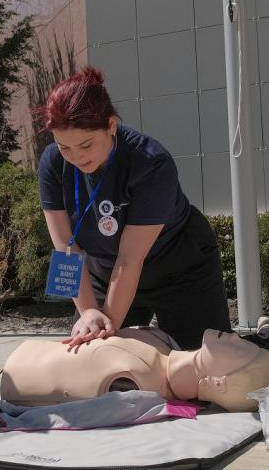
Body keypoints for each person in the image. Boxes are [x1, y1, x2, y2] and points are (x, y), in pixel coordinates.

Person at [36, 66, 231, 351]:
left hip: (178, 268)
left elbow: (130, 259)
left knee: (209, 364)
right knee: (93, 358)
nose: (76, 157)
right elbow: (66, 249)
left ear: (111, 125)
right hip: (105, 272)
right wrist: (90, 313)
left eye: (86, 144)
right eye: (64, 147)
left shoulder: (150, 163)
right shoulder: (52, 163)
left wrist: (108, 326)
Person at [0, 325, 269, 412]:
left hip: (19, 375)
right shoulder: (163, 345)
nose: (234, 336)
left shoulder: (137, 385)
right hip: (28, 356)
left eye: (240, 347)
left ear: (218, 382)